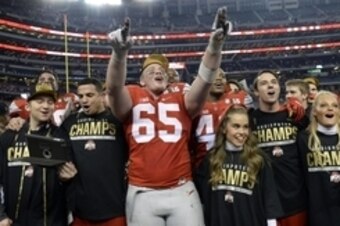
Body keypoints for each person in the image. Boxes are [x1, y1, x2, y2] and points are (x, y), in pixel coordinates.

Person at [106, 7, 231, 226]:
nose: (158, 71)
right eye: (151, 69)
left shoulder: (180, 95)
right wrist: (118, 55)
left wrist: (214, 47)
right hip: (142, 192)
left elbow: (204, 81)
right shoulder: (133, 93)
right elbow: (114, 89)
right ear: (141, 80)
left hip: (181, 189)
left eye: (162, 69)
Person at [195, 105, 283, 226]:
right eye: (236, 126)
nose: (242, 132)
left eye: (245, 127)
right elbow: (200, 200)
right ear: (224, 129)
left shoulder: (259, 160)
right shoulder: (210, 159)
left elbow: (270, 200)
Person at [59, 78, 128, 226]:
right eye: (81, 96)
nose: (84, 100)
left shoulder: (118, 121)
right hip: (80, 209)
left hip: (114, 207)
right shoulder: (69, 123)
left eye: (90, 95)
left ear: (102, 95)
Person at [0, 82, 70, 226]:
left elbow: (69, 179)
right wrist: (0, 215)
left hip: (52, 222)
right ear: (28, 106)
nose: (45, 106)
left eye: (50, 102)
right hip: (13, 221)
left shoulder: (62, 137)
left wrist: (69, 179)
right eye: (39, 101)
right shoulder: (9, 136)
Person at [250, 70, 308, 226]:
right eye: (264, 83)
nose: (270, 85)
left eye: (274, 82)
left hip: (296, 200)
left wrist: (305, 110)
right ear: (256, 91)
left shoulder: (295, 116)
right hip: (265, 203)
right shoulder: (249, 120)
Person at [297, 91, 340, 226]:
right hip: (317, 214)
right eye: (323, 105)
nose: (330, 108)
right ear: (314, 111)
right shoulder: (304, 139)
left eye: (335, 105)